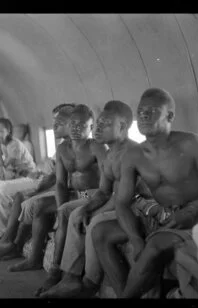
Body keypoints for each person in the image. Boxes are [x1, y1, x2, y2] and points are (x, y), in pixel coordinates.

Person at [92, 88, 198, 298]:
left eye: (152, 111)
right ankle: (123, 293)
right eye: (140, 111)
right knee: (101, 232)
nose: (144, 116)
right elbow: (121, 202)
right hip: (161, 218)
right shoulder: (134, 154)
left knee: (155, 246)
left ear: (170, 116)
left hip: (197, 219)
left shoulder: (191, 143)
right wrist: (135, 238)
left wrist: (189, 212)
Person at [38, 100, 152, 298]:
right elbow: (104, 191)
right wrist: (87, 207)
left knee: (93, 223)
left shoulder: (130, 152)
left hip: (137, 205)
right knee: (76, 214)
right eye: (98, 124)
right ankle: (68, 276)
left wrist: (93, 212)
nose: (97, 129)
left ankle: (87, 282)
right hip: (119, 201)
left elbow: (122, 200)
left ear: (123, 127)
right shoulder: (110, 155)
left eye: (103, 124)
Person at [0, 104, 107, 272]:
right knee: (39, 205)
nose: (76, 129)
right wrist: (59, 205)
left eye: (81, 125)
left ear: (91, 127)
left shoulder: (97, 147)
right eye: (73, 124)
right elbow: (60, 183)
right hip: (74, 193)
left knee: (41, 204)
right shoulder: (63, 149)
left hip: (91, 195)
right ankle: (30, 256)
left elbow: (107, 183)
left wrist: (61, 205)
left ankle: (54, 268)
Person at [0, 104, 76, 244]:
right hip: (37, 175)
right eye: (53, 121)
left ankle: (0, 234)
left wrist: (39, 178)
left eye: (59, 121)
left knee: (0, 188)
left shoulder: (74, 147)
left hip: (40, 178)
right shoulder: (62, 146)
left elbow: (57, 177)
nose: (54, 125)